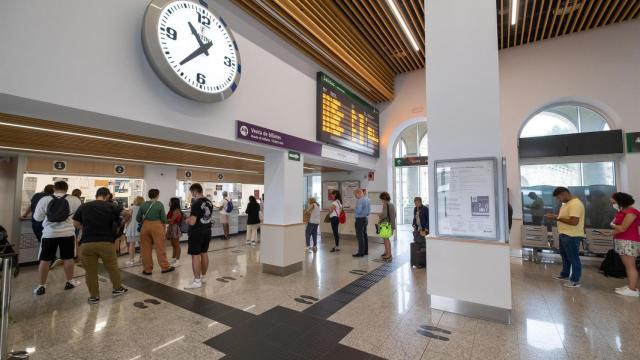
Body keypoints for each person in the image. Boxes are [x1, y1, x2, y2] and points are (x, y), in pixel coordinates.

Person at [73, 187, 129, 304]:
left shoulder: (84, 206)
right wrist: (122, 224)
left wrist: (85, 228)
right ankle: (117, 288)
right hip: (106, 242)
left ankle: (94, 297)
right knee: (112, 267)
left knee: (90, 271)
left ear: (96, 195)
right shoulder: (111, 206)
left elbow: (75, 223)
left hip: (87, 243)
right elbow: (126, 213)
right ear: (107, 196)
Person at [32, 181, 82, 296]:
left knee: (45, 260)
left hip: (49, 234)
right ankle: (70, 282)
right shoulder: (74, 200)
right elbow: (79, 217)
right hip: (67, 233)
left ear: (55, 188)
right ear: (67, 188)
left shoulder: (44, 199)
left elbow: (37, 218)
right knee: (68, 259)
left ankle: (41, 286)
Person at [546, 187, 585, 288]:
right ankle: (565, 274)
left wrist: (556, 217)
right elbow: (565, 218)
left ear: (565, 194)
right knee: (565, 257)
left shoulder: (575, 204)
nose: (559, 200)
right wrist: (556, 216)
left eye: (559, 198)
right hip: (564, 234)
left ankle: (575, 280)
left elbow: (574, 222)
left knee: (573, 258)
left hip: (572, 235)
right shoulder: (566, 204)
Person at [136, 189, 174, 275]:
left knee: (145, 249)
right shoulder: (159, 204)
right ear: (157, 195)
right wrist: (168, 221)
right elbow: (164, 219)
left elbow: (138, 218)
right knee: (160, 247)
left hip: (145, 227)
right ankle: (165, 267)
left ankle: (147, 269)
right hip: (156, 226)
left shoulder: (144, 205)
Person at [610, 192, 640, 297]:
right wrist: (612, 232)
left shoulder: (631, 212)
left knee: (630, 266)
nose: (611, 200)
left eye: (613, 199)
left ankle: (632, 290)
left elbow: (623, 228)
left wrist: (613, 225)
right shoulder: (624, 211)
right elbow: (621, 229)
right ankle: (631, 286)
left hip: (629, 241)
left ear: (620, 200)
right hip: (623, 240)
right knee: (627, 266)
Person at [184, 183, 214, 289]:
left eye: (192, 193)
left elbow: (192, 222)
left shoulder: (196, 203)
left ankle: (197, 281)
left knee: (195, 256)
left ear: (195, 192)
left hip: (196, 233)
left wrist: (187, 220)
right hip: (207, 231)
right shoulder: (209, 202)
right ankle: (202, 276)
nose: (192, 195)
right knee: (204, 253)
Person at [125, 196, 144, 266]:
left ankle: (131, 259)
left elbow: (128, 218)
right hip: (140, 227)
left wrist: (126, 227)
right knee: (141, 245)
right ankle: (141, 259)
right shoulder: (143, 208)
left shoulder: (132, 208)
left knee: (132, 244)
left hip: (132, 227)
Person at [379, 192, 397, 262]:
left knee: (386, 240)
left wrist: (380, 215)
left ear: (383, 198)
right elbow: (394, 215)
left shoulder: (385, 204)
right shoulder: (391, 204)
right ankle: (387, 252)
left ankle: (388, 254)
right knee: (386, 239)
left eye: (381, 199)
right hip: (390, 224)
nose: (381, 200)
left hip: (385, 224)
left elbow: (384, 215)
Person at [353, 189, 370, 257]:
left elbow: (359, 211)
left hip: (359, 219)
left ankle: (360, 252)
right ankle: (365, 251)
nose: (355, 196)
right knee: (364, 235)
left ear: (358, 193)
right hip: (365, 218)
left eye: (355, 195)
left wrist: (354, 208)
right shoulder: (367, 199)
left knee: (360, 236)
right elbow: (369, 211)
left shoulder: (360, 200)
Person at [166, 197, 183, 265]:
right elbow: (169, 219)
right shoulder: (172, 210)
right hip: (171, 227)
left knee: (176, 245)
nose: (169, 203)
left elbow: (172, 221)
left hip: (174, 228)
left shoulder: (176, 211)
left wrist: (163, 220)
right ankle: (174, 258)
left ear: (174, 203)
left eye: (170, 202)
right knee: (173, 244)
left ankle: (177, 260)